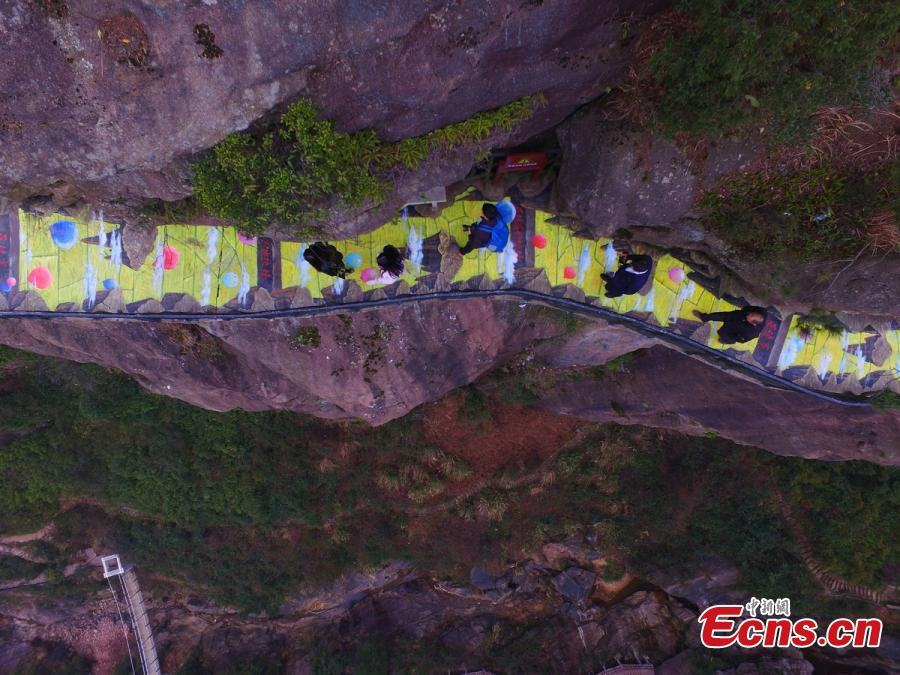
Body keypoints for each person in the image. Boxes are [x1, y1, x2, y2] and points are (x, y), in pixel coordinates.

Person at [694, 306, 767, 344]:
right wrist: (745, 310)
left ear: (753, 323)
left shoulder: (751, 333)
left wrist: (732, 337)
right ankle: (704, 317)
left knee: (722, 334)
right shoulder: (762, 311)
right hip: (734, 316)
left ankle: (728, 341)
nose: (748, 314)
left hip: (732, 329)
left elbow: (741, 340)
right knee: (718, 315)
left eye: (750, 316)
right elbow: (750, 308)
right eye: (752, 313)